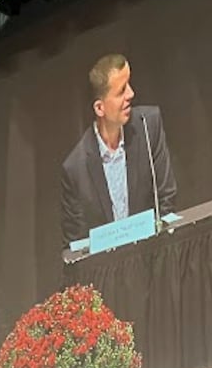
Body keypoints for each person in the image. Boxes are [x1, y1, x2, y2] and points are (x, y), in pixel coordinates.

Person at [61, 54, 178, 247]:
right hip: (107, 271)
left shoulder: (148, 125)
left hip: (154, 256)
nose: (131, 94)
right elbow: (77, 243)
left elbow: (166, 198)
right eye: (121, 90)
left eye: (129, 85)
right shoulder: (75, 168)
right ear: (100, 108)